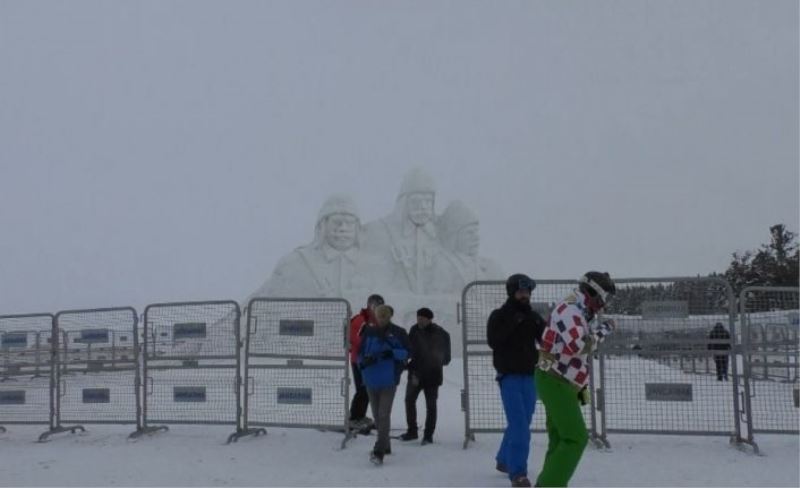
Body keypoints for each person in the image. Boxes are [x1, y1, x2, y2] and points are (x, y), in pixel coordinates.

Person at [535, 271, 617, 488]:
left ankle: (551, 482)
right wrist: (604, 330)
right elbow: (578, 346)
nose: (603, 305)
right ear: (591, 293)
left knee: (560, 438)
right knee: (576, 438)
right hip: (555, 380)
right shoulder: (569, 310)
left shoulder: (579, 310)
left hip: (560, 380)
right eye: (603, 299)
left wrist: (581, 390)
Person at [487, 274, 546, 488]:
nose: (525, 295)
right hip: (509, 376)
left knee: (522, 421)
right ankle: (518, 473)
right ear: (512, 292)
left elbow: (547, 340)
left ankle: (504, 459)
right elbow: (493, 341)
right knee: (520, 425)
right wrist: (514, 321)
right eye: (521, 291)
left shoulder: (534, 317)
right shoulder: (499, 316)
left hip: (530, 376)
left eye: (528, 292)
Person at [358, 304, 409, 465]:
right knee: (376, 415)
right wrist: (363, 362)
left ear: (389, 316)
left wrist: (392, 353)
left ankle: (379, 450)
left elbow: (408, 352)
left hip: (388, 380)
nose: (382, 318)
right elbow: (358, 353)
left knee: (383, 414)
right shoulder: (368, 331)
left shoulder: (399, 332)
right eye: (379, 315)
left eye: (385, 315)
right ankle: (386, 444)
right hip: (371, 380)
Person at [400, 307, 451, 445]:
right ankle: (412, 431)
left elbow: (446, 358)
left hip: (432, 376)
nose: (419, 320)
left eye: (422, 318)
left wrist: (433, 362)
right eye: (418, 317)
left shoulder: (441, 334)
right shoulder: (414, 330)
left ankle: (428, 435)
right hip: (415, 374)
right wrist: (406, 363)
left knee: (431, 405)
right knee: (409, 401)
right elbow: (409, 350)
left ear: (430, 319)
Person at [348, 294, 385, 433]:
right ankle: (354, 417)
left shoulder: (376, 321)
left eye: (380, 306)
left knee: (368, 389)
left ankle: (360, 416)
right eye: (375, 305)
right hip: (358, 360)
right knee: (362, 389)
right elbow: (356, 338)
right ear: (369, 305)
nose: (377, 308)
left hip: (369, 361)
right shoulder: (360, 319)